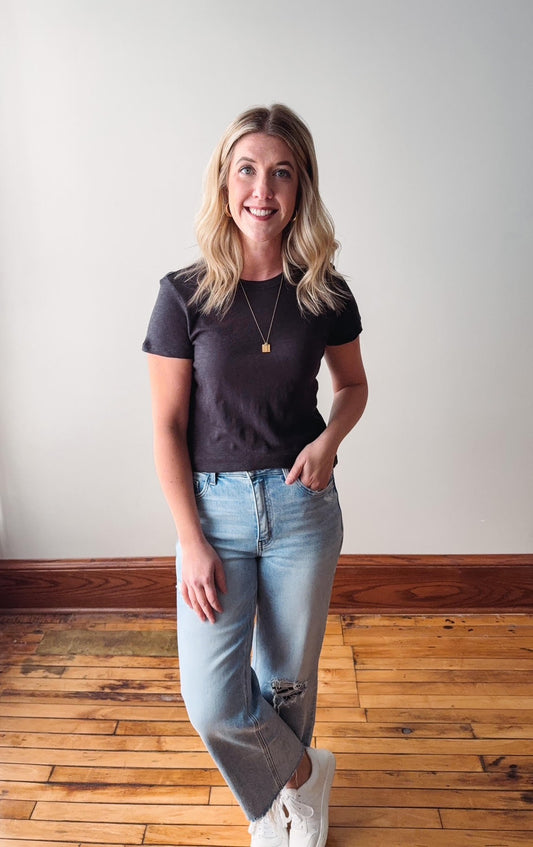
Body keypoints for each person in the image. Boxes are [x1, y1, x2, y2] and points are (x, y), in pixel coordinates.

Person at [142, 103, 368, 847]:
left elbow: (353, 387)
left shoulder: (322, 291)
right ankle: (303, 773)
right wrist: (190, 539)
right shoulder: (183, 294)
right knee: (211, 699)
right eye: (246, 169)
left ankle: (282, 810)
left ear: (300, 186)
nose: (261, 189)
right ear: (223, 180)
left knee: (284, 682)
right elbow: (166, 429)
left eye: (280, 172)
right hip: (214, 516)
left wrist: (330, 439)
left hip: (303, 508)